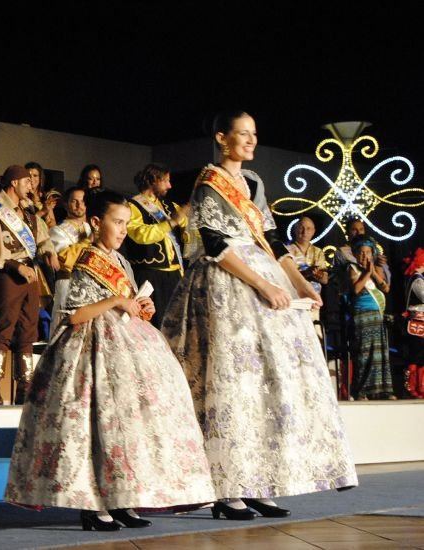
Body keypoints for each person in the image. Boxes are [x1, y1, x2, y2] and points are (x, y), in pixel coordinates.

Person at [162, 111, 358, 520]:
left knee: (266, 385)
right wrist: (264, 286)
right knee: (231, 383)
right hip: (226, 284)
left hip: (264, 275)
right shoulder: (208, 182)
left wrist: (300, 284)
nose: (251, 141)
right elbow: (214, 244)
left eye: (254, 134)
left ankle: (258, 482)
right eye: (243, 134)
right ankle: (226, 489)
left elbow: (270, 239)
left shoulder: (253, 183)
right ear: (222, 138)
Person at [6, 190, 216, 531]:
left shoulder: (120, 261)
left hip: (126, 344)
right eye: (117, 222)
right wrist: (117, 301)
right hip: (92, 350)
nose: (122, 230)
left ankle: (121, 498)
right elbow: (75, 315)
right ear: (95, 222)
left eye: (126, 224)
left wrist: (141, 306)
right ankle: (93, 504)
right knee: (94, 426)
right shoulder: (87, 260)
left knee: (125, 426)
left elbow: (126, 302)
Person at [0, 165, 59, 405]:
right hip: (8, 275)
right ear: (14, 183)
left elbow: (42, 239)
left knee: (28, 331)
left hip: (31, 275)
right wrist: (16, 267)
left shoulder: (29, 212)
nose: (31, 186)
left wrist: (49, 252)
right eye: (26, 182)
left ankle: (24, 390)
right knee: (4, 328)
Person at [123, 163, 189, 328]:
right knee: (155, 326)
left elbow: (190, 232)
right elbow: (141, 234)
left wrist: (189, 227)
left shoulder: (171, 206)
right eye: (165, 180)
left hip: (175, 276)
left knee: (177, 326)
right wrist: (171, 222)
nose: (170, 185)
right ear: (153, 180)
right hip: (150, 277)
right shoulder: (132, 206)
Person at [346, 236, 394, 400]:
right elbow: (356, 289)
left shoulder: (374, 269)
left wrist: (373, 272)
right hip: (362, 315)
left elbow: (385, 288)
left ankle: (383, 389)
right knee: (364, 353)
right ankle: (362, 391)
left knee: (379, 353)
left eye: (367, 252)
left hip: (377, 316)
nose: (364, 256)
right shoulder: (352, 268)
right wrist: (367, 273)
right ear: (355, 254)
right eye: (361, 252)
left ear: (372, 254)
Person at [48, 186, 91, 334]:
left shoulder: (91, 228)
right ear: (66, 204)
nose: (79, 205)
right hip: (69, 284)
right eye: (74, 201)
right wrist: (88, 241)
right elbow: (66, 259)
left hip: (90, 285)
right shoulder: (57, 231)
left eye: (83, 201)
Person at [334, 218, 390, 283]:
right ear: (347, 232)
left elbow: (385, 279)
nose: (359, 232)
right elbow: (339, 276)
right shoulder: (341, 252)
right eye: (354, 230)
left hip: (375, 285)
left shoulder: (372, 248)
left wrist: (378, 265)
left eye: (361, 229)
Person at [402, 247, 424, 398]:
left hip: (420, 323)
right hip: (417, 322)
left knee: (420, 355)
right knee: (417, 354)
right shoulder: (417, 279)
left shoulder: (418, 278)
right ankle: (412, 386)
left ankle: (420, 386)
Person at [24, 162, 58, 228]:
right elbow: (26, 223)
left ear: (40, 178)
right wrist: (42, 211)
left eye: (35, 175)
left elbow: (52, 224)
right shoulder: (22, 195)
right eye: (29, 175)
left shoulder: (46, 196)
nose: (31, 179)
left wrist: (47, 212)